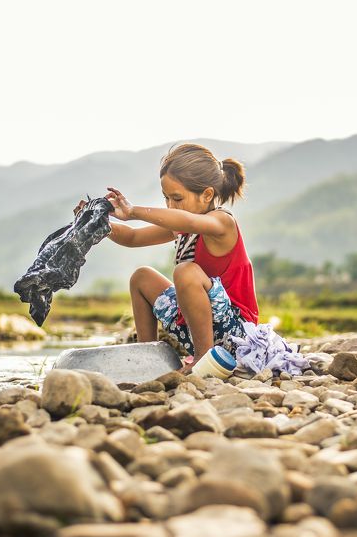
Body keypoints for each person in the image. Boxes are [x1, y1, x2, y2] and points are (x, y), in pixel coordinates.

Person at [75, 143, 258, 369]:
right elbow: (133, 237)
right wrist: (97, 224)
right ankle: (147, 356)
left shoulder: (222, 222)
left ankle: (204, 360)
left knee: (185, 271)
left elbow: (190, 221)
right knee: (141, 277)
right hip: (194, 326)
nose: (171, 206)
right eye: (166, 198)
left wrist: (133, 211)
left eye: (177, 199)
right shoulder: (180, 226)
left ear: (207, 195)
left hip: (235, 334)